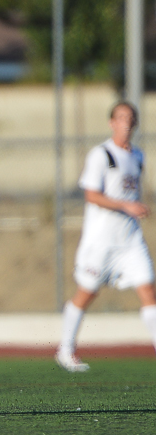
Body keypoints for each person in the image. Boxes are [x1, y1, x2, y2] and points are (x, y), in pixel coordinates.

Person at [58, 101, 156, 372]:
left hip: (130, 240)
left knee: (148, 288)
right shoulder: (102, 155)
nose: (126, 123)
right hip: (101, 241)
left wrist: (134, 208)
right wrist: (127, 206)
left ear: (135, 124)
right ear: (112, 122)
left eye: (130, 118)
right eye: (121, 117)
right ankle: (65, 350)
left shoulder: (138, 156)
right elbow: (91, 195)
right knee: (87, 292)